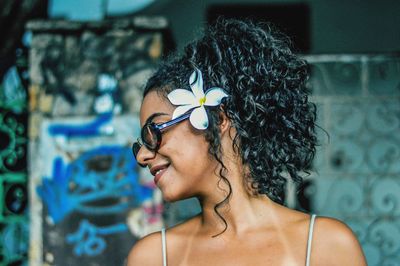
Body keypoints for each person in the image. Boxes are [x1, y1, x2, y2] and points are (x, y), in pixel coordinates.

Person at [127, 18, 366, 266]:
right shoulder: (153, 257)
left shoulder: (326, 246)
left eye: (153, 131)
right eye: (141, 143)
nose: (143, 156)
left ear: (218, 118)